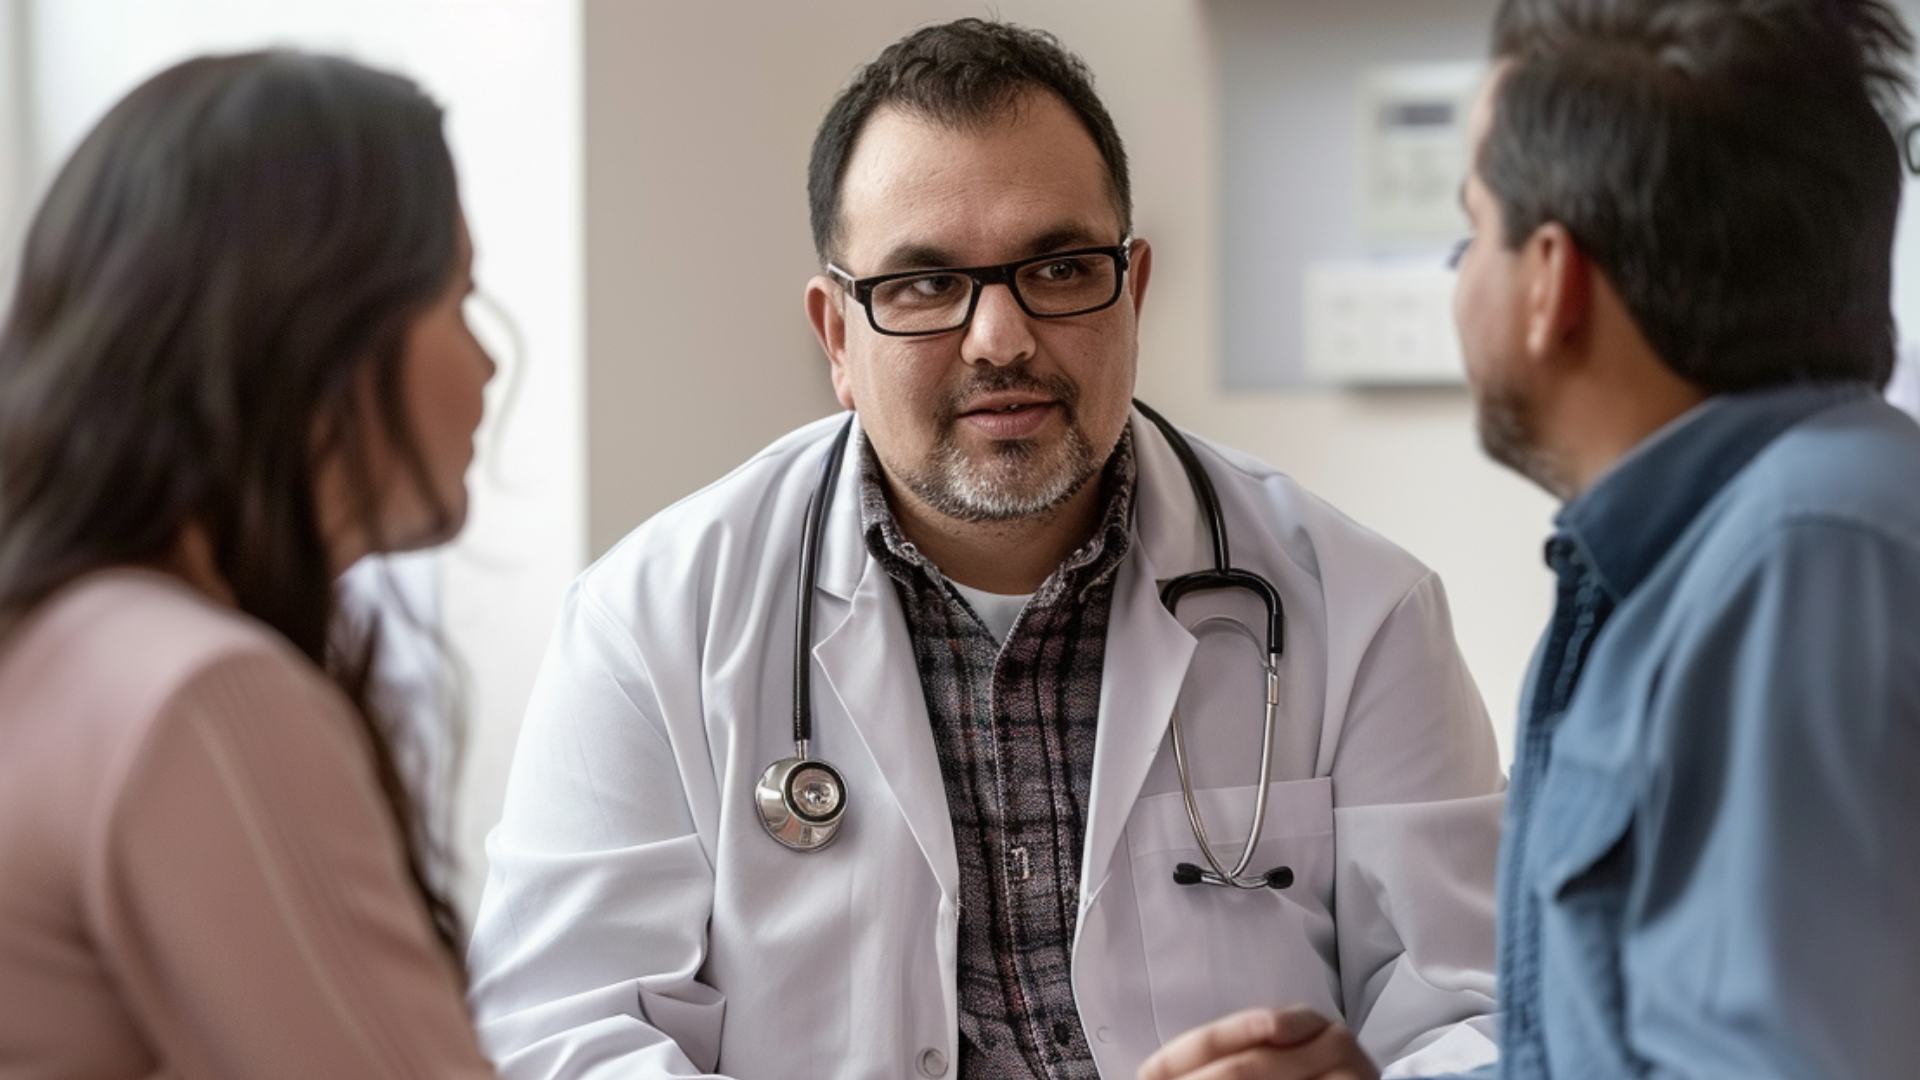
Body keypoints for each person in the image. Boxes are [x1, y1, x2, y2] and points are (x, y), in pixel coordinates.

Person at [467, 18, 1504, 1080]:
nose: (1000, 339)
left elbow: (1489, 1014)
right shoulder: (648, 628)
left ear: (1133, 293)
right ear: (837, 336)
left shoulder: (1359, 609)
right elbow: (558, 1037)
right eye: (924, 285)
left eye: (1059, 268)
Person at [1140, 1, 1920, 1078]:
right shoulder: (1715, 560)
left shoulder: (1809, 567)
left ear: (1551, 279)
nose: (1456, 279)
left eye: (1473, 234)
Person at [0, 51, 503, 1075]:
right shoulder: (201, 694)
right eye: (459, 299)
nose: (489, 363)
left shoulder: (56, 642)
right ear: (321, 332)